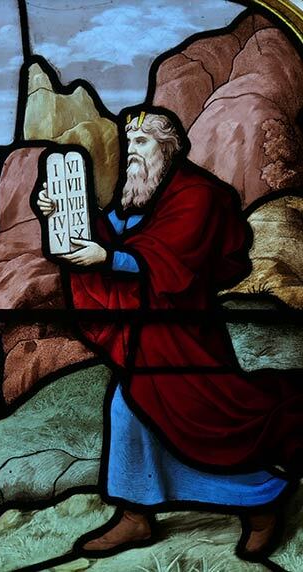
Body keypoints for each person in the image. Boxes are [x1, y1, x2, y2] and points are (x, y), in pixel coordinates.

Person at [37, 108, 303, 561]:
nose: (131, 152)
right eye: (128, 142)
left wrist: (106, 258)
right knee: (130, 410)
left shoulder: (199, 195)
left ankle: (261, 500)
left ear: (168, 147)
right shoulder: (139, 196)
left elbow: (169, 258)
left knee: (207, 423)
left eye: (141, 143)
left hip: (185, 333)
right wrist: (64, 214)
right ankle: (136, 515)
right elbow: (117, 240)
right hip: (147, 334)